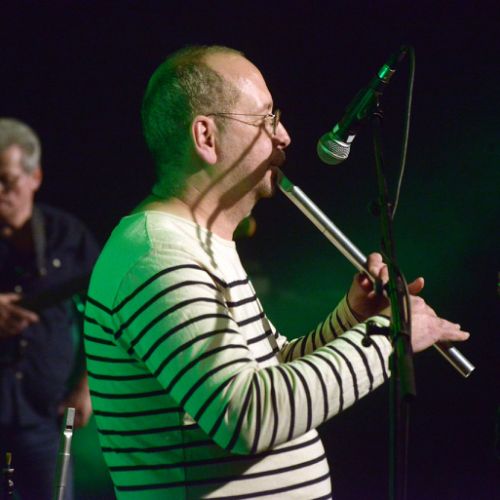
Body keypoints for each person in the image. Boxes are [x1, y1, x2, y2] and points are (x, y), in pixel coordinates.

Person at [84, 45, 469, 499]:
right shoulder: (156, 257)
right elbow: (244, 416)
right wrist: (389, 338)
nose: (283, 135)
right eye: (266, 119)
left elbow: (267, 372)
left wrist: (352, 319)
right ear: (206, 136)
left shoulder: (196, 246)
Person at [0, 118, 100, 500]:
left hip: (46, 416)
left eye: (7, 180)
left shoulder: (67, 235)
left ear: (35, 177)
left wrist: (86, 388)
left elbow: (104, 316)